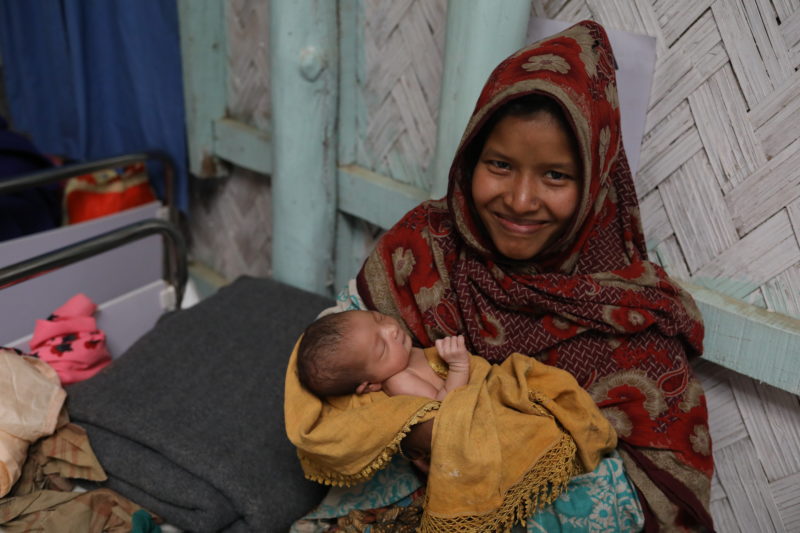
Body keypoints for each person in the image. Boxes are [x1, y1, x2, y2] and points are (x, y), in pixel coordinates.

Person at [292, 19, 713, 532]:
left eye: (555, 175)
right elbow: (329, 360)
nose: (518, 200)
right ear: (471, 159)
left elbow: (643, 502)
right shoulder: (425, 243)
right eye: (499, 165)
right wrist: (416, 432)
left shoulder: (633, 321)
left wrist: (479, 456)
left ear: (595, 181)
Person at [296, 309, 470, 400]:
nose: (391, 329)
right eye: (382, 348)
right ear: (371, 385)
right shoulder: (400, 381)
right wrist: (458, 367)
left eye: (378, 318)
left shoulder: (400, 356)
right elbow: (445, 415)